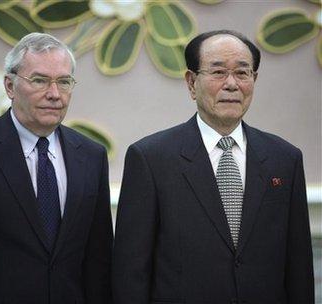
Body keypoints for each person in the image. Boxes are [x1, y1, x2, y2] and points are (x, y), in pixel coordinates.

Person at [112, 30, 314, 303]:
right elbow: (131, 273)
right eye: (218, 72)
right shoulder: (150, 159)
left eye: (243, 73)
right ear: (192, 82)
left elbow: (298, 267)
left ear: (254, 80)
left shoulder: (284, 159)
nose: (232, 84)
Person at [0, 33, 113, 304]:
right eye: (39, 80)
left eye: (64, 82)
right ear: (10, 86)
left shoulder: (91, 156)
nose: (54, 94)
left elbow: (98, 261)